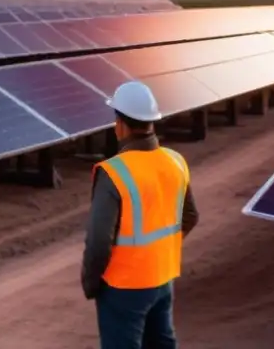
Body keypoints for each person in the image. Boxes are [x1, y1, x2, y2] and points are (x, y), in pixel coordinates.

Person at [81, 80, 200, 349]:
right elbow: (190, 215)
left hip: (123, 287)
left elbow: (99, 240)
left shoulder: (114, 172)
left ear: (120, 125)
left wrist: (91, 283)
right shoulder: (175, 161)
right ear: (151, 123)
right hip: (162, 277)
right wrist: (159, 253)